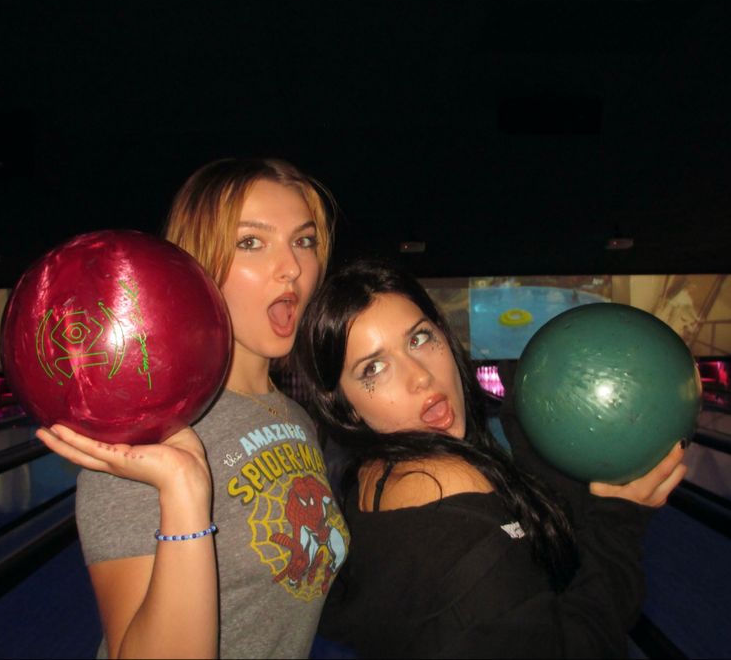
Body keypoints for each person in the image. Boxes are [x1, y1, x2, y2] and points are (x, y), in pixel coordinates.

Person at [294, 259, 687, 659]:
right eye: (374, 367)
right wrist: (621, 522)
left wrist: (533, 438)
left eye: (419, 338)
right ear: (346, 407)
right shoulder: (446, 487)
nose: (420, 376)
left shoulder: (373, 477)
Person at [36, 158, 349, 659]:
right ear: (196, 263)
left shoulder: (295, 418)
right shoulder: (149, 433)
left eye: (304, 240)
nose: (292, 265)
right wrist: (182, 490)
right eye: (251, 242)